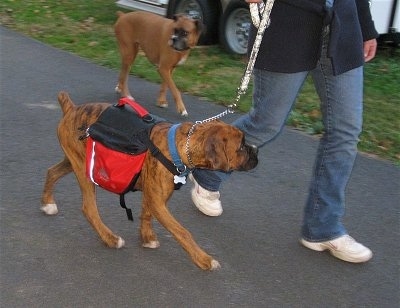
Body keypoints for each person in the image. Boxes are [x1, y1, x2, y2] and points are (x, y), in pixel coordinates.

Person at [189, 0, 378, 263]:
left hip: (343, 26)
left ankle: (322, 227)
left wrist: (366, 28)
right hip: (287, 25)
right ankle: (207, 172)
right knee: (266, 123)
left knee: (345, 132)